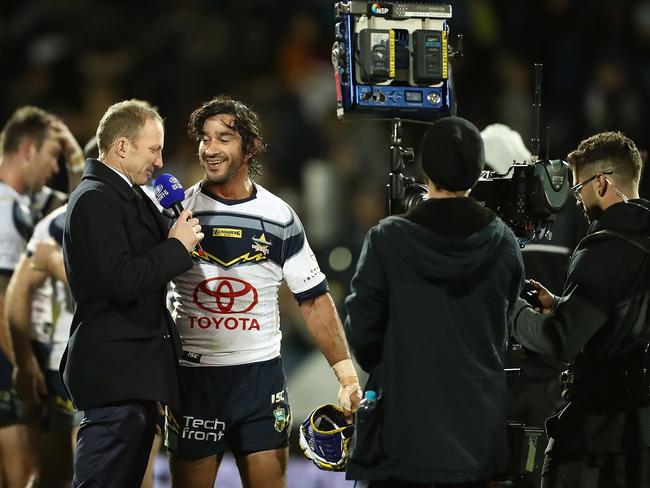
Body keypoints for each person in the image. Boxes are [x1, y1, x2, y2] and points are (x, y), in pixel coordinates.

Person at [164, 95, 362, 488]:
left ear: (250, 147)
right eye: (205, 138)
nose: (210, 148)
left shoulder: (281, 216)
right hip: (194, 380)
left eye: (224, 138)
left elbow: (314, 299)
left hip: (260, 382)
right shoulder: (175, 211)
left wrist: (346, 375)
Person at [344, 116, 525, 487]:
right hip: (476, 438)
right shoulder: (504, 241)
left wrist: (395, 364)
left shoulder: (388, 239)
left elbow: (362, 328)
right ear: (478, 172)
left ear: (425, 168)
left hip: (402, 436)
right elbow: (506, 321)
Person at [61, 99, 204, 487]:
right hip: (114, 376)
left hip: (135, 376)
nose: (160, 161)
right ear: (122, 146)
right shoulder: (94, 199)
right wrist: (176, 247)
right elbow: (120, 279)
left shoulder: (132, 196)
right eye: (153, 149)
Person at [510, 131, 650, 488]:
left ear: (601, 182)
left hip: (598, 441)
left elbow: (561, 342)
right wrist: (560, 304)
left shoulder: (601, 249)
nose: (576, 200)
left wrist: (511, 314)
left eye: (578, 189)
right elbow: (625, 315)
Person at [0, 106, 83, 487]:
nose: (55, 168)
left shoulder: (23, 204)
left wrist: (76, 159)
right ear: (28, 150)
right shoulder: (4, 211)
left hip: (19, 353)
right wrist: (22, 363)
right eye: (52, 156)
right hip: (8, 357)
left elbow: (83, 210)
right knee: (21, 474)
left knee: (42, 473)